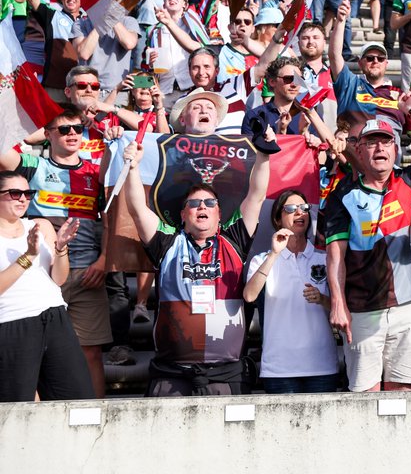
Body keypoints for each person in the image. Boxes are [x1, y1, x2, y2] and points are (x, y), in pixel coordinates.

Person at [122, 127, 272, 396]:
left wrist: (263, 156)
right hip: (172, 372)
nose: (202, 207)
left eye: (209, 203)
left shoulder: (235, 239)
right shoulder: (166, 242)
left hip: (226, 373)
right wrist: (133, 168)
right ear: (183, 214)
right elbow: (136, 208)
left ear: (219, 214)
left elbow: (257, 195)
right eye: (194, 204)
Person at [324, 114, 411, 392]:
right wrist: (337, 302)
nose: (380, 149)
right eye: (371, 143)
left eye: (386, 142)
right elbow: (335, 255)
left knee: (403, 393)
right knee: (365, 393)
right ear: (358, 149)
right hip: (362, 308)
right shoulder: (341, 195)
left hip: (410, 303)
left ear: (396, 149)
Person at [1, 107, 110, 397]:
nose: (73, 133)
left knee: (90, 355)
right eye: (63, 129)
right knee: (33, 364)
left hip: (87, 270)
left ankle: (92, 423)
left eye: (77, 128)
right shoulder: (33, 165)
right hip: (38, 274)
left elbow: (110, 221)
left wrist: (103, 260)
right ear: (47, 135)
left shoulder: (94, 170)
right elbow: (2, 147)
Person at [0, 171, 90, 402]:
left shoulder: (41, 225)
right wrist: (28, 256)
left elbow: (58, 279)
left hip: (55, 315)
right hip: (12, 323)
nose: (23, 199)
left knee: (77, 398)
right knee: (17, 405)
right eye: (15, 193)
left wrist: (61, 248)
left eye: (28, 193)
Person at [242, 190, 338, 394]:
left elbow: (340, 308)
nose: (299, 213)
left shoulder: (324, 257)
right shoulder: (262, 260)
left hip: (321, 366)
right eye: (291, 209)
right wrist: (274, 254)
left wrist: (322, 299)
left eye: (304, 208)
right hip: (279, 369)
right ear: (278, 219)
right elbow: (249, 295)